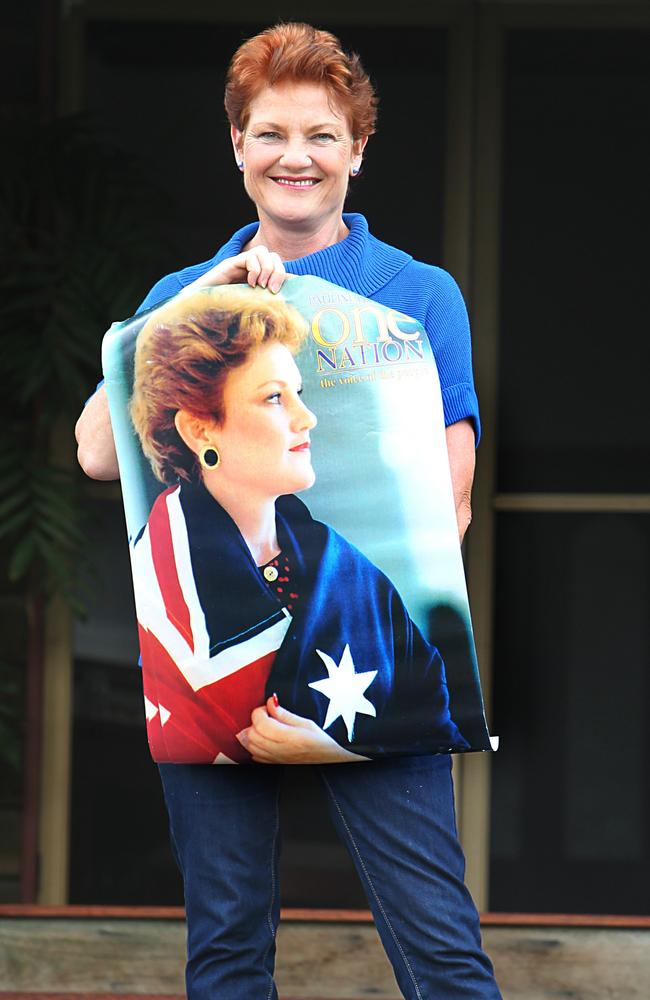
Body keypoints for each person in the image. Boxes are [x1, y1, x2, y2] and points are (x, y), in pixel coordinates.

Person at [76, 21, 501, 1000]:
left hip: (366, 646)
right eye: (269, 133)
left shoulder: (415, 294)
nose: (293, 157)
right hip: (213, 660)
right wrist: (192, 308)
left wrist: (343, 695)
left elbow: (450, 499)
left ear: (356, 150)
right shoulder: (183, 294)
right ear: (236, 147)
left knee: (438, 945)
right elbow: (99, 452)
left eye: (320, 135)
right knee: (224, 950)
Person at [128, 286, 469, 766]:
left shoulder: (347, 571)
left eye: (298, 395)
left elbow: (437, 727)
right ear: (199, 429)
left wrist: (340, 752)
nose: (306, 418)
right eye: (273, 398)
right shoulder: (162, 576)